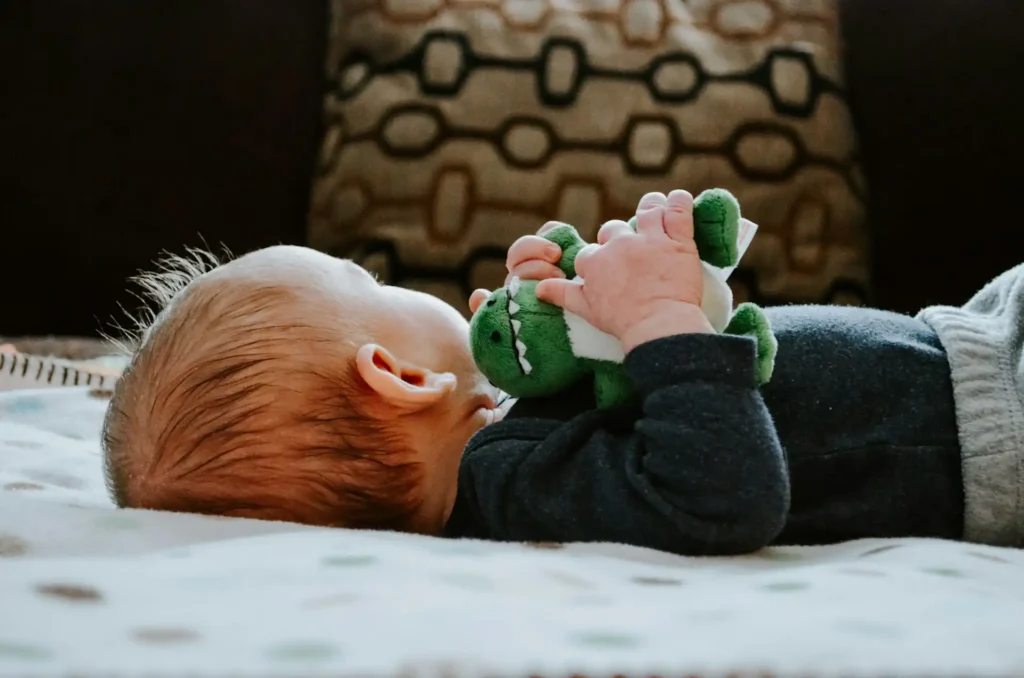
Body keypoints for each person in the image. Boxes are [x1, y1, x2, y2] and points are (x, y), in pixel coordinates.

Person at [102, 191, 1024, 554]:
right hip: (993, 425)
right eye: (367, 281)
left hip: (966, 343)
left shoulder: (508, 436)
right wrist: (662, 322)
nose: (397, 283)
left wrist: (588, 315)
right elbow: (722, 493)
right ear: (394, 375)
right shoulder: (515, 490)